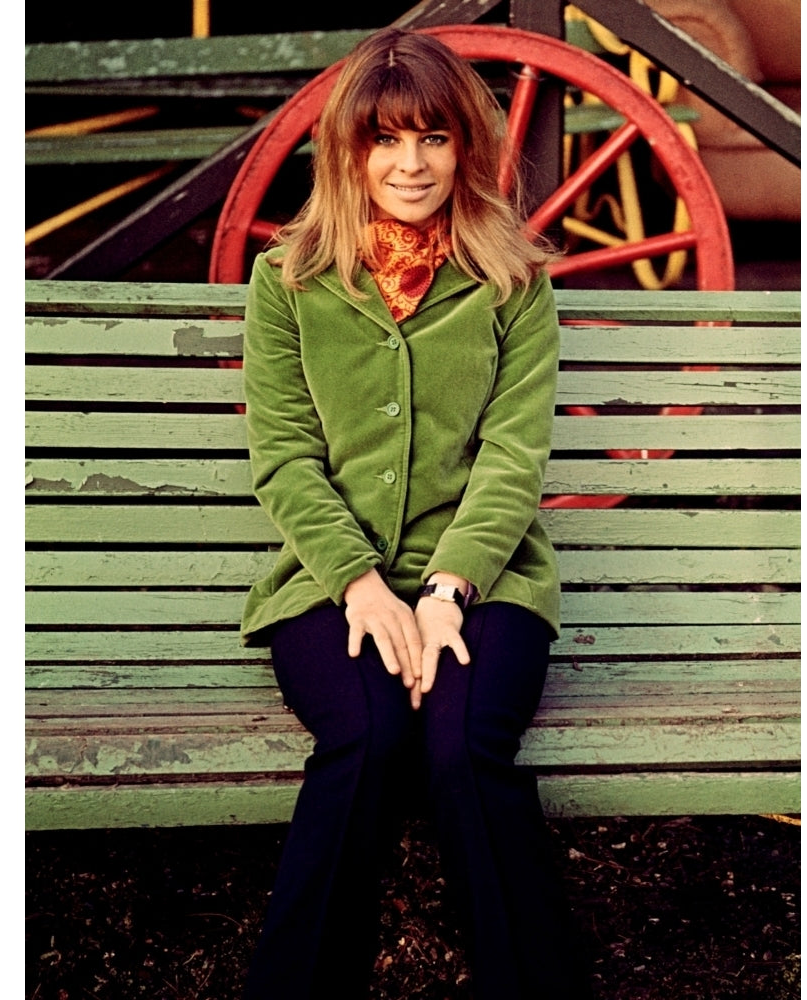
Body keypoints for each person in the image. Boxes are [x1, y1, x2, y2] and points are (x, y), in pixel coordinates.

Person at [239, 27, 586, 1000]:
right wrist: (358, 584)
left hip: (487, 581)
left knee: (463, 747)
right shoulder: (286, 283)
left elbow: (512, 457)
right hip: (325, 584)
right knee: (371, 736)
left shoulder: (514, 283)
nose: (410, 162)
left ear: (462, 147)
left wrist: (445, 590)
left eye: (432, 137)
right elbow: (285, 458)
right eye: (385, 139)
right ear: (347, 151)